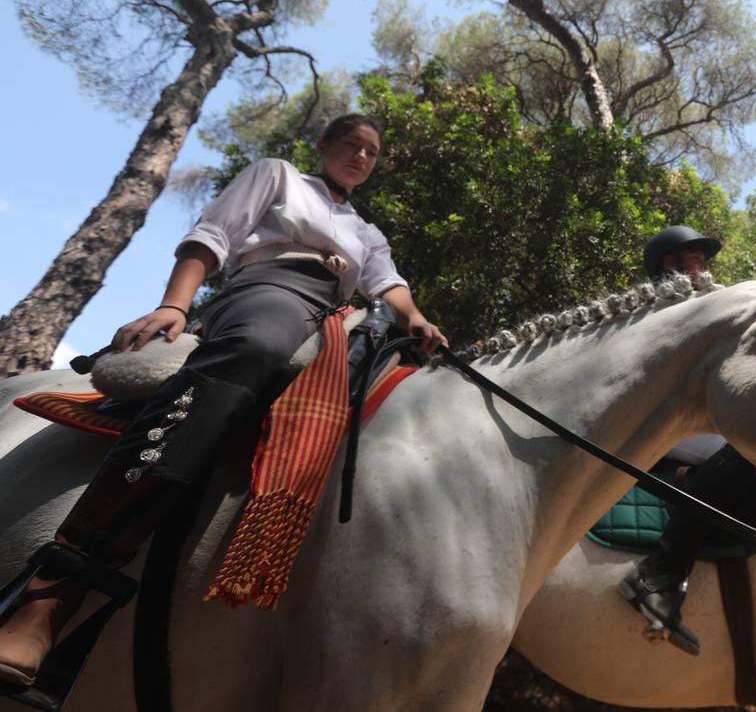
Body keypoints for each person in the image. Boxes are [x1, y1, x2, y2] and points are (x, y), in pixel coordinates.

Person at [0, 114, 446, 688]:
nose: (361, 157)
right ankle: (56, 585)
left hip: (343, 322)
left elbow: (389, 285)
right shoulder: (278, 175)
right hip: (271, 290)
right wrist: (175, 306)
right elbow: (213, 235)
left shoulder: (367, 231)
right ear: (324, 146)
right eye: (351, 145)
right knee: (255, 349)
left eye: (372, 152)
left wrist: (416, 320)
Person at [618, 225, 756, 656]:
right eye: (694, 260)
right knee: (750, 453)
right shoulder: (651, 315)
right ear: (668, 266)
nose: (702, 268)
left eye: (703, 261)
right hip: (665, 437)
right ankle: (659, 572)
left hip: (708, 435)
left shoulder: (710, 312)